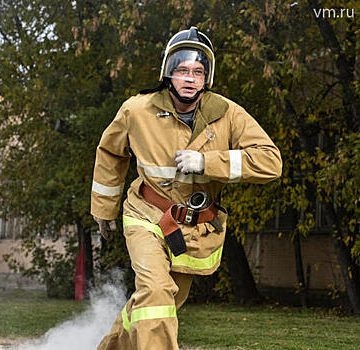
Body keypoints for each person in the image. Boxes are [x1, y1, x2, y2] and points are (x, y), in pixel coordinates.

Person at [91, 26, 282, 350]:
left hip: (192, 228)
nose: (190, 78)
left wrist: (208, 163)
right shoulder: (137, 110)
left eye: (198, 71)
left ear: (207, 78)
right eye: (182, 70)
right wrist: (104, 207)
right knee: (154, 291)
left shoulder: (228, 114)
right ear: (169, 72)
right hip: (146, 215)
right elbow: (111, 152)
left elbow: (270, 163)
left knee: (155, 305)